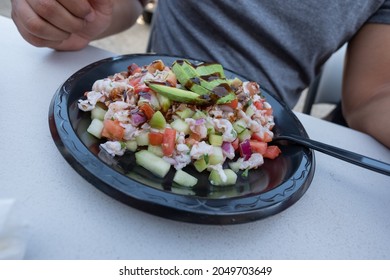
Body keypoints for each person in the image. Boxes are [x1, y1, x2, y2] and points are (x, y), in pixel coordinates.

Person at [11, 0, 390, 148]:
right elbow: (128, 4)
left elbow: (374, 95)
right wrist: (84, 14)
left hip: (255, 140)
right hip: (146, 99)